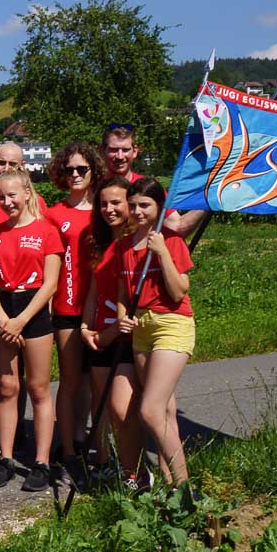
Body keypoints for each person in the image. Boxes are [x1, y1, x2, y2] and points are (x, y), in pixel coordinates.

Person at [0, 169, 63, 491]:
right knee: (7, 387)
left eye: (12, 195)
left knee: (38, 388)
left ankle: (41, 461)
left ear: (27, 193)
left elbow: (50, 283)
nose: (6, 202)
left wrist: (21, 320)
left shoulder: (47, 231)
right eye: (1, 197)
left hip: (33, 311)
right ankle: (6, 457)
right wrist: (3, 318)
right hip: (2, 310)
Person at [117, 178, 195, 487]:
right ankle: (168, 483)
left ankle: (185, 488)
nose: (137, 211)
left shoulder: (171, 240)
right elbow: (124, 293)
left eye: (145, 206)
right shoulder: (124, 246)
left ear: (160, 208)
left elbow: (178, 291)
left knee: (150, 410)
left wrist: (162, 252)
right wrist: (122, 317)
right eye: (133, 205)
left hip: (171, 324)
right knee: (164, 409)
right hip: (142, 329)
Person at [46, 142, 104, 481]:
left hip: (101, 310)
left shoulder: (105, 209)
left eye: (82, 169)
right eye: (69, 170)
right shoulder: (55, 214)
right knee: (69, 382)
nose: (76, 175)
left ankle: (98, 448)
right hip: (67, 308)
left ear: (93, 171)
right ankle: (67, 449)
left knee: (97, 384)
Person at [80, 177, 141, 484]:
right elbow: (93, 292)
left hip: (126, 335)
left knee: (123, 409)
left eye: (116, 202)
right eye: (103, 204)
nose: (109, 209)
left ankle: (135, 472)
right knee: (101, 404)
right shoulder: (99, 242)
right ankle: (106, 463)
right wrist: (85, 327)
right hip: (100, 334)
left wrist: (112, 332)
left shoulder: (137, 242)